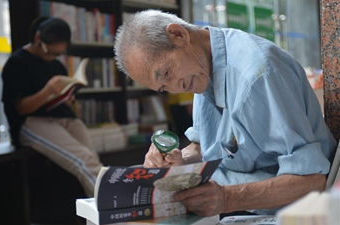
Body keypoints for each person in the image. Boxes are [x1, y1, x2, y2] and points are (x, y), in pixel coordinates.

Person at [113, 10, 338, 216]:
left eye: (167, 72)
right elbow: (203, 146)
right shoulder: (198, 67)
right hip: (231, 205)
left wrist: (228, 199)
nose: (176, 88)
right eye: (163, 87)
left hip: (286, 212)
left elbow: (311, 181)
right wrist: (178, 160)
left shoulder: (257, 75)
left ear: (178, 35)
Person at [1, 16, 102, 197]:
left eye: (58, 54)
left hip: (63, 118)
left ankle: (101, 212)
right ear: (38, 39)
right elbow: (20, 109)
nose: (53, 58)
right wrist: (47, 91)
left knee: (92, 159)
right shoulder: (16, 63)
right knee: (84, 160)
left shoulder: (56, 65)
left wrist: (67, 97)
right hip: (32, 122)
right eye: (50, 53)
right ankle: (113, 204)